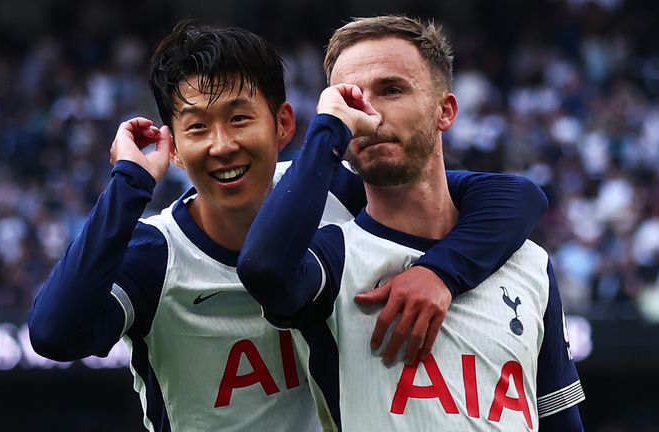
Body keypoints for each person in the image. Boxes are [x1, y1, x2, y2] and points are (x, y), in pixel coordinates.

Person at [28, 21, 547, 431]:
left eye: (238, 118)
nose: (222, 145)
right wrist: (128, 183)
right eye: (197, 128)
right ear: (178, 150)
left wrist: (442, 271)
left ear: (283, 125)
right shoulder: (156, 255)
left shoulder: (328, 188)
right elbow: (54, 334)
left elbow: (516, 196)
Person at [238, 15, 585, 431]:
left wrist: (439, 272)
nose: (371, 115)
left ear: (446, 111)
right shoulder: (333, 260)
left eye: (391, 90)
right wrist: (328, 128)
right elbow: (263, 269)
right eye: (351, 100)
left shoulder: (530, 264)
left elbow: (562, 420)